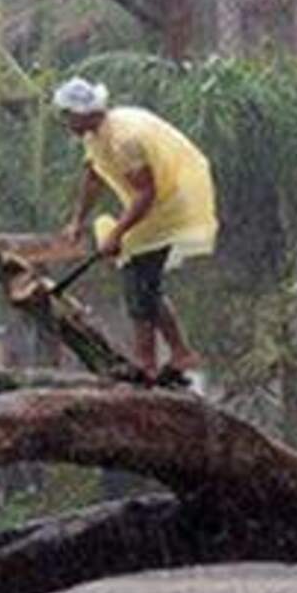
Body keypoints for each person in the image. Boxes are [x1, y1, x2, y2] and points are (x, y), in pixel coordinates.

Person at [53, 77, 217, 377]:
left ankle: (146, 364)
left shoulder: (122, 139)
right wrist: (77, 219)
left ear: (83, 113)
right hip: (153, 207)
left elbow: (146, 192)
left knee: (138, 283)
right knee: (147, 285)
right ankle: (181, 353)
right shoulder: (95, 137)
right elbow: (94, 176)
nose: (65, 122)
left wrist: (117, 234)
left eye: (67, 115)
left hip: (166, 208)